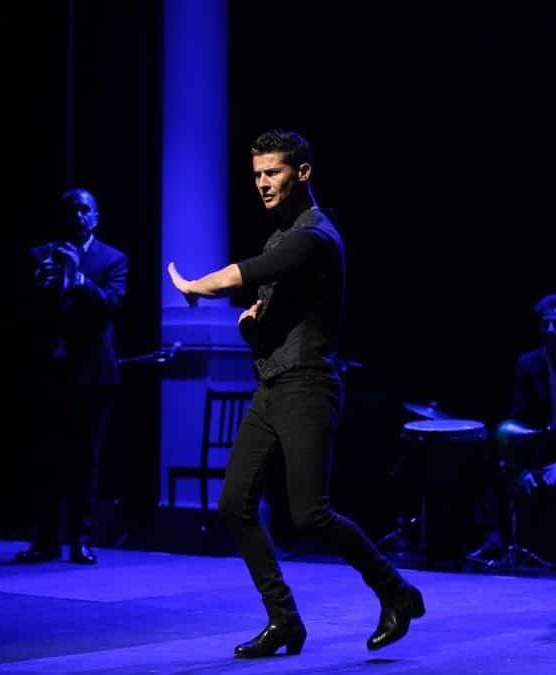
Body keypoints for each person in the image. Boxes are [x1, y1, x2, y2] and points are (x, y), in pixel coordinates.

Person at [167, 130, 424, 658]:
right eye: (257, 174)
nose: (262, 183)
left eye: (273, 173)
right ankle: (284, 621)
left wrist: (195, 285)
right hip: (272, 385)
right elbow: (272, 308)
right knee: (235, 502)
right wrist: (254, 322)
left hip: (308, 385)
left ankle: (398, 593)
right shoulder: (283, 235)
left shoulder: (312, 236)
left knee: (311, 514)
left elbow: (247, 274)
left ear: (302, 172)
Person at [15, 188, 128, 565]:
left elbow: (113, 304)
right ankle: (45, 539)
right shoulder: (39, 255)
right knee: (45, 458)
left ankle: (81, 539)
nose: (77, 216)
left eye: (84, 210)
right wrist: (42, 286)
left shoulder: (112, 259)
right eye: (71, 210)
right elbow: (24, 315)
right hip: (49, 371)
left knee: (85, 459)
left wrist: (79, 279)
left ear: (95, 217)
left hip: (92, 375)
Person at [471, 293, 556, 568]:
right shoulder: (528, 362)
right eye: (545, 324)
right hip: (546, 441)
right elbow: (518, 416)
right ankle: (495, 541)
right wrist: (519, 466)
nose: (550, 330)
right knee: (490, 456)